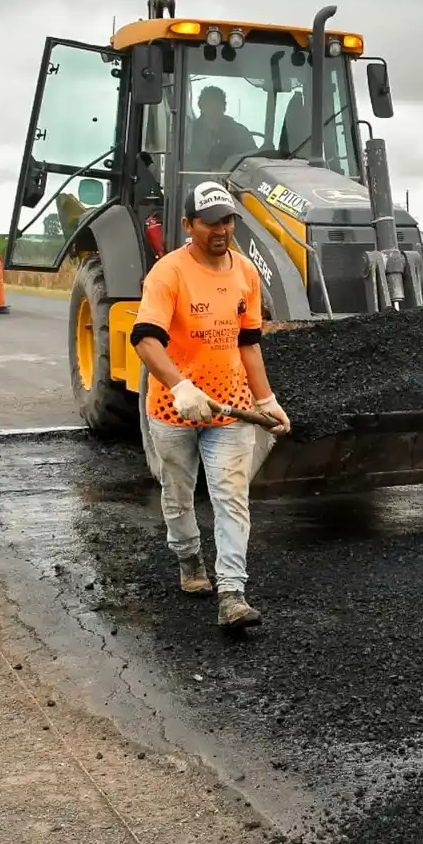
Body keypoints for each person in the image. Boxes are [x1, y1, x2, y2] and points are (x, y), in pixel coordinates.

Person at [129, 181, 291, 628]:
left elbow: (249, 343)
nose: (222, 230)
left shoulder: (245, 273)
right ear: (188, 225)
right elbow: (145, 339)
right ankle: (188, 560)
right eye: (211, 222)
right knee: (178, 497)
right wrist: (181, 387)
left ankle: (233, 594)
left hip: (230, 408)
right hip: (173, 409)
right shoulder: (168, 273)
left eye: (228, 220)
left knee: (231, 498)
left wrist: (267, 398)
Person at [186, 85, 257, 173]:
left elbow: (253, 160)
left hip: (233, 181)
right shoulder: (189, 133)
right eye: (209, 105)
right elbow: (183, 163)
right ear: (201, 107)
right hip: (197, 182)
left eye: (217, 105)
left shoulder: (240, 132)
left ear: (224, 108)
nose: (213, 110)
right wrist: (208, 171)